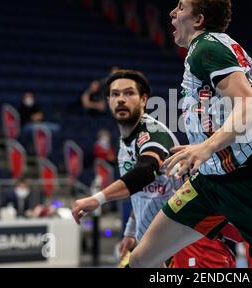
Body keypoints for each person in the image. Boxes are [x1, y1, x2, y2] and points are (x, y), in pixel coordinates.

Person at [73, 0, 252, 268]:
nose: (172, 13)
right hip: (211, 184)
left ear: (199, 19)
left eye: (180, 7)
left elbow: (251, 107)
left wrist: (206, 147)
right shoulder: (222, 48)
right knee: (141, 259)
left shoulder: (207, 49)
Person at [73, 70, 237, 268]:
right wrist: (131, 231)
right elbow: (141, 191)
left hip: (186, 245)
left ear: (143, 100)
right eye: (115, 94)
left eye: (129, 93)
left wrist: (97, 199)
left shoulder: (153, 132)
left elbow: (145, 172)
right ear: (108, 100)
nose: (121, 99)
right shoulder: (125, 141)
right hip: (159, 247)